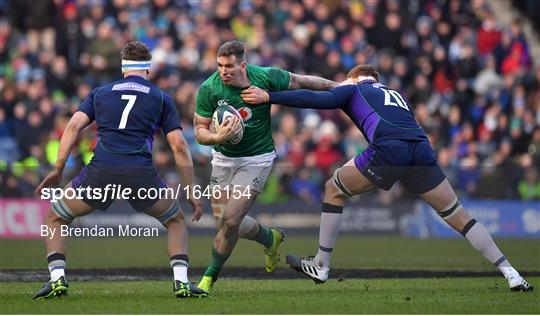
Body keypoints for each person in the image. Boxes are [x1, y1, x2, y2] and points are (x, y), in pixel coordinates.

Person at [240, 64, 534, 292]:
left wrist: (270, 97)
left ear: (353, 78)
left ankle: (321, 265)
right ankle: (511, 273)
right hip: (420, 149)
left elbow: (318, 99)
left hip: (388, 148)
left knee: (332, 188)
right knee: (458, 215)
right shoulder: (394, 93)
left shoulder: (353, 89)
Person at [33, 41, 208, 299]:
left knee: (55, 218)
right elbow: (179, 146)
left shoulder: (100, 93)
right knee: (175, 220)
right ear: (147, 69)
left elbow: (72, 127)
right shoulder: (161, 98)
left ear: (123, 67)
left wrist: (58, 169)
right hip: (140, 174)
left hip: (101, 171)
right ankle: (181, 282)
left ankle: (58, 279)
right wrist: (191, 189)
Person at [194, 40, 337, 293]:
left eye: (228, 66)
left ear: (243, 65)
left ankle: (207, 280)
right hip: (223, 160)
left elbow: (302, 81)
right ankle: (270, 238)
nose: (223, 71)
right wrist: (217, 138)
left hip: (256, 159)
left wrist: (341, 88)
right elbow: (199, 131)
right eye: (219, 65)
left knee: (230, 221)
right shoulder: (209, 88)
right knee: (224, 224)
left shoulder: (265, 77)